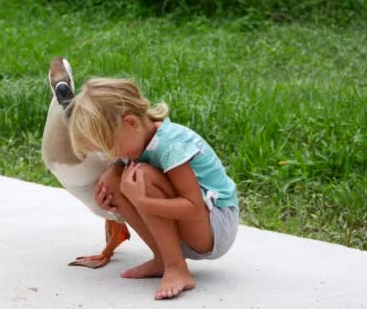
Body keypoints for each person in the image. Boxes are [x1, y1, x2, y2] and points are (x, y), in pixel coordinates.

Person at [68, 78, 239, 300]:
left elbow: (194, 208)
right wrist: (110, 201)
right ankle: (163, 259)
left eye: (110, 147)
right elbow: (120, 180)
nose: (112, 155)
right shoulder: (139, 140)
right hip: (193, 225)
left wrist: (143, 202)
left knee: (142, 177)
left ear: (130, 123)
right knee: (114, 179)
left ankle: (176, 267)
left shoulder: (170, 145)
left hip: (216, 226)